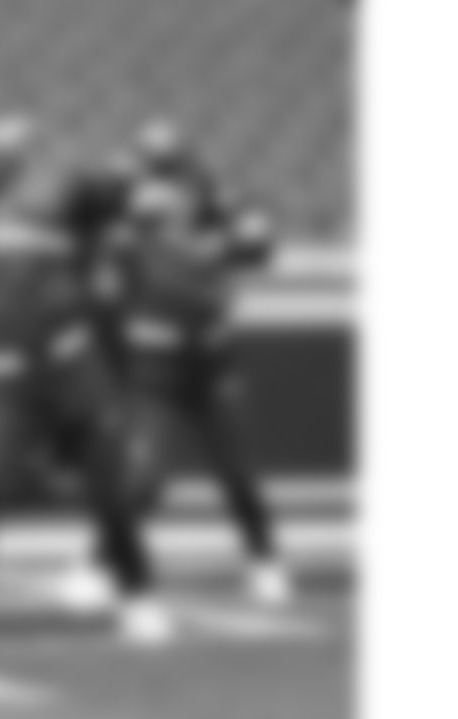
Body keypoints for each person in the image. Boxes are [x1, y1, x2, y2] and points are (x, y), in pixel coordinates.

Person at [0, 120, 169, 647]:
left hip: (72, 367)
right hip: (8, 380)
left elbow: (121, 199)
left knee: (110, 485)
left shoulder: (48, 199)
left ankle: (137, 595)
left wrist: (126, 185)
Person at [95, 121, 292, 605]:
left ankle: (263, 558)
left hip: (211, 356)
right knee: (147, 473)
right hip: (156, 362)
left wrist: (237, 234)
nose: (168, 192)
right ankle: (103, 563)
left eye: (173, 172)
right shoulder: (126, 223)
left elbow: (259, 247)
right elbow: (108, 279)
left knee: (236, 468)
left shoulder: (212, 204)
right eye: (155, 171)